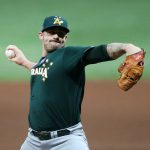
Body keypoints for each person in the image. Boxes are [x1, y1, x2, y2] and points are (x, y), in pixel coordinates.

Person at [6, 15, 143, 150]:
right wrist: (25, 62)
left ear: (65, 38)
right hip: (33, 142)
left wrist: (127, 47)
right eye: (52, 32)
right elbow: (46, 71)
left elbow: (104, 51)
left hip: (66, 141)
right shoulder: (44, 63)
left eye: (61, 34)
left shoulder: (70, 55)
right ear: (41, 35)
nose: (56, 36)